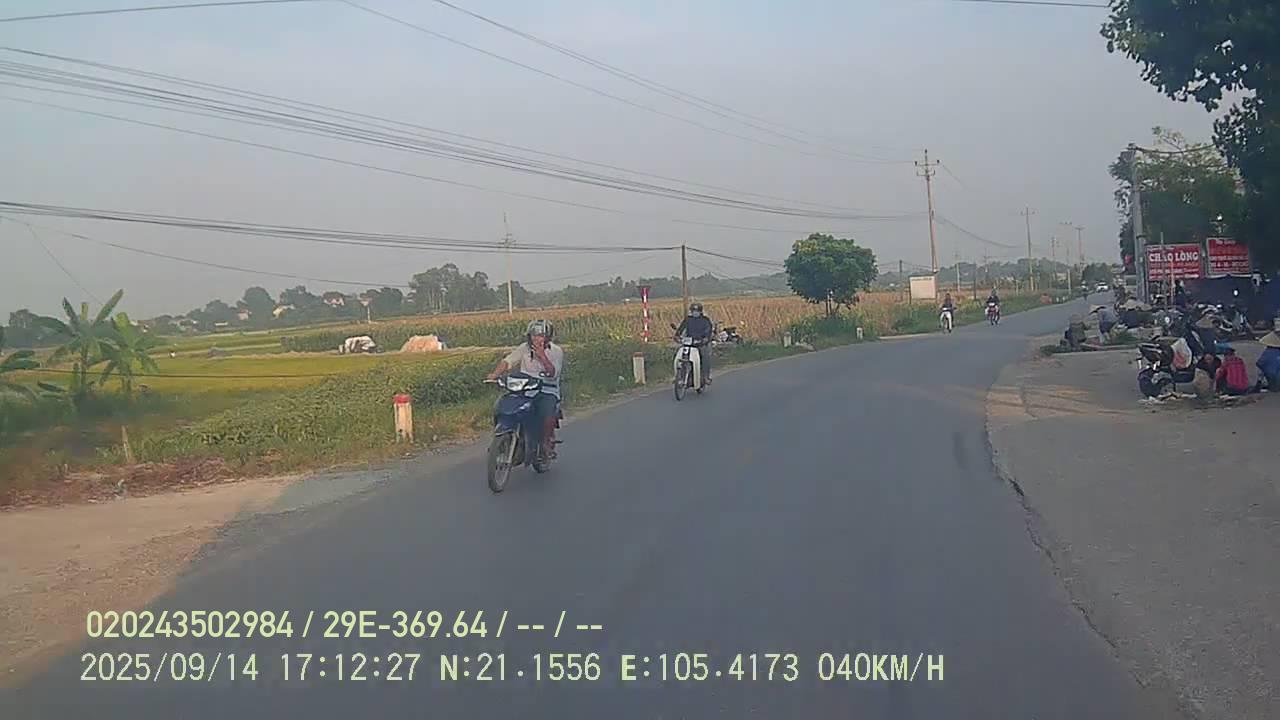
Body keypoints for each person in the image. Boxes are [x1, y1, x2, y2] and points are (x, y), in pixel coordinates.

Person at [486, 319, 564, 458]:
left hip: (547, 389)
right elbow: (508, 361)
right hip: (524, 389)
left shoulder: (556, 351)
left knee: (547, 413)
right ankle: (503, 439)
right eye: (533, 335)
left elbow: (553, 373)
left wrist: (542, 356)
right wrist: (495, 375)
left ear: (548, 337)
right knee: (504, 406)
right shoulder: (524, 348)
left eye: (540, 335)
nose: (536, 339)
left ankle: (545, 443)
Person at [674, 302, 715, 383]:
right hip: (689, 342)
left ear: (700, 311)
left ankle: (706, 376)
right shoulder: (688, 319)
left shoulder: (705, 320)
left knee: (705, 356)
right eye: (693, 311)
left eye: (697, 311)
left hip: (700, 343)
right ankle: (679, 376)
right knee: (680, 354)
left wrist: (705, 338)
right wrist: (677, 336)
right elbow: (681, 328)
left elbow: (708, 330)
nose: (695, 313)